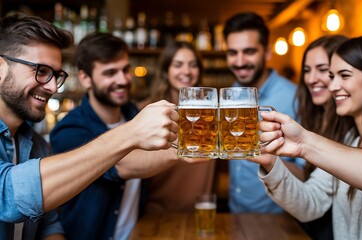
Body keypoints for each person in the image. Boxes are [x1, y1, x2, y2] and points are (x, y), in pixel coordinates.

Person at [0, 13, 178, 239]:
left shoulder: (36, 146)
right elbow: (8, 195)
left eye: (56, 75)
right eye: (41, 71)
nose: (53, 86)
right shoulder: (69, 129)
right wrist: (132, 133)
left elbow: (49, 224)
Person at [256, 36, 362, 239]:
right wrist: (270, 162)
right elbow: (311, 203)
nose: (332, 86)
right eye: (332, 76)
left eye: (344, 75)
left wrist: (302, 143)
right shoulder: (350, 138)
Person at [49, 34, 195, 240]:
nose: (123, 80)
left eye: (125, 70)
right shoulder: (70, 130)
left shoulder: (135, 115)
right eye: (110, 73)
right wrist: (188, 148)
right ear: (84, 78)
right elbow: (122, 166)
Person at [222, 12, 304, 213]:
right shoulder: (231, 93)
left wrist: (269, 158)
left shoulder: (294, 97)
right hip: (235, 213)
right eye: (233, 53)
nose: (240, 61)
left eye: (249, 51)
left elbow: (306, 174)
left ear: (267, 52)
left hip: (278, 220)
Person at [141, 41, 215, 213]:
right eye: (178, 65)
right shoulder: (147, 111)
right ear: (166, 70)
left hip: (202, 212)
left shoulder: (211, 113)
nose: (187, 72)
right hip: (156, 214)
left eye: (193, 65)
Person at [295, 35, 350, 240]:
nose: (311, 79)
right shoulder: (314, 118)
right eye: (307, 71)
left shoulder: (350, 127)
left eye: (322, 70)